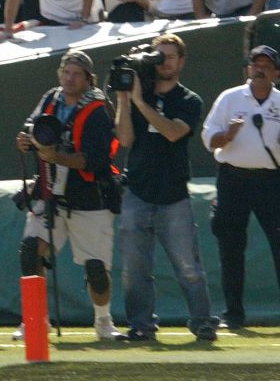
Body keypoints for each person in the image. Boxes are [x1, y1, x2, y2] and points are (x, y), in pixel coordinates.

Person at [113, 33, 217, 342]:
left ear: (181, 61)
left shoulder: (188, 100)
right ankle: (142, 326)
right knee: (134, 270)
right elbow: (126, 140)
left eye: (170, 56)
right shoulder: (137, 93)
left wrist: (140, 103)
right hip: (137, 191)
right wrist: (123, 98)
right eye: (159, 56)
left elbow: (173, 132)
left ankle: (202, 322)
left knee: (188, 267)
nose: (164, 62)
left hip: (173, 195)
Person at [15, 50, 123, 341]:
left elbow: (95, 160)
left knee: (96, 267)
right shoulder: (51, 97)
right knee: (29, 251)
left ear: (88, 78)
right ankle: (35, 321)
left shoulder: (99, 109)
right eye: (66, 72)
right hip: (49, 191)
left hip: (88, 195)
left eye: (76, 74)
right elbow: (32, 125)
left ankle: (103, 321)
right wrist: (27, 140)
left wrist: (55, 155)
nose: (69, 79)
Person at [200, 44, 280, 330]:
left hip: (271, 183)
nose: (259, 70)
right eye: (255, 65)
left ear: (276, 73)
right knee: (231, 248)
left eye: (266, 66)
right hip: (233, 180)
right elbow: (209, 140)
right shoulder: (230, 98)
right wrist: (229, 134)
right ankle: (233, 314)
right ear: (247, 69)